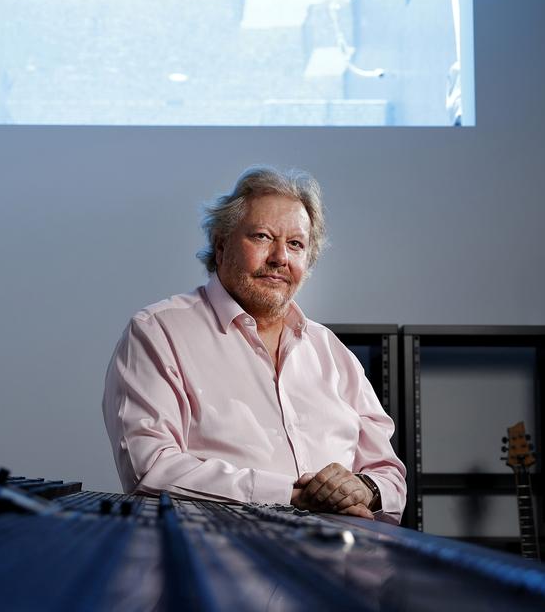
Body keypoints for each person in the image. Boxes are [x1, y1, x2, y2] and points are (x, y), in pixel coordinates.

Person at [101, 166, 406, 523]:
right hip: (217, 565)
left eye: (295, 244)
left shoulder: (332, 353)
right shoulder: (157, 332)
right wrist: (291, 498)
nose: (280, 258)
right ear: (221, 244)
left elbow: (389, 476)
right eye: (262, 237)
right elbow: (151, 469)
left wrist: (365, 488)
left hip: (342, 565)